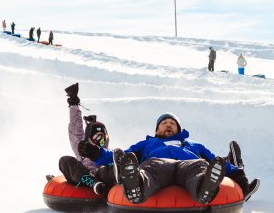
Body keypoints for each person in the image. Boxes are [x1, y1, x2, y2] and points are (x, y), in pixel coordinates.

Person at [79, 112, 257, 205]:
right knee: (149, 170)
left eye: (172, 123)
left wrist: (238, 175)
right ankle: (136, 186)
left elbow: (214, 161)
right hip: (157, 164)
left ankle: (204, 188)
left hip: (189, 164)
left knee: (200, 167)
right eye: (164, 123)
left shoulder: (194, 145)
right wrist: (97, 153)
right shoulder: (146, 144)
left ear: (179, 129)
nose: (168, 125)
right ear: (157, 129)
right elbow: (122, 157)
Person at [58, 83, 116, 195]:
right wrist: (74, 104)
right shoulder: (83, 149)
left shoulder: (109, 153)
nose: (101, 141)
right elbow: (76, 130)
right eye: (97, 138)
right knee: (64, 160)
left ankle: (103, 186)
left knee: (114, 164)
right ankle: (93, 183)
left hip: (103, 178)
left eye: (103, 137)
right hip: (85, 177)